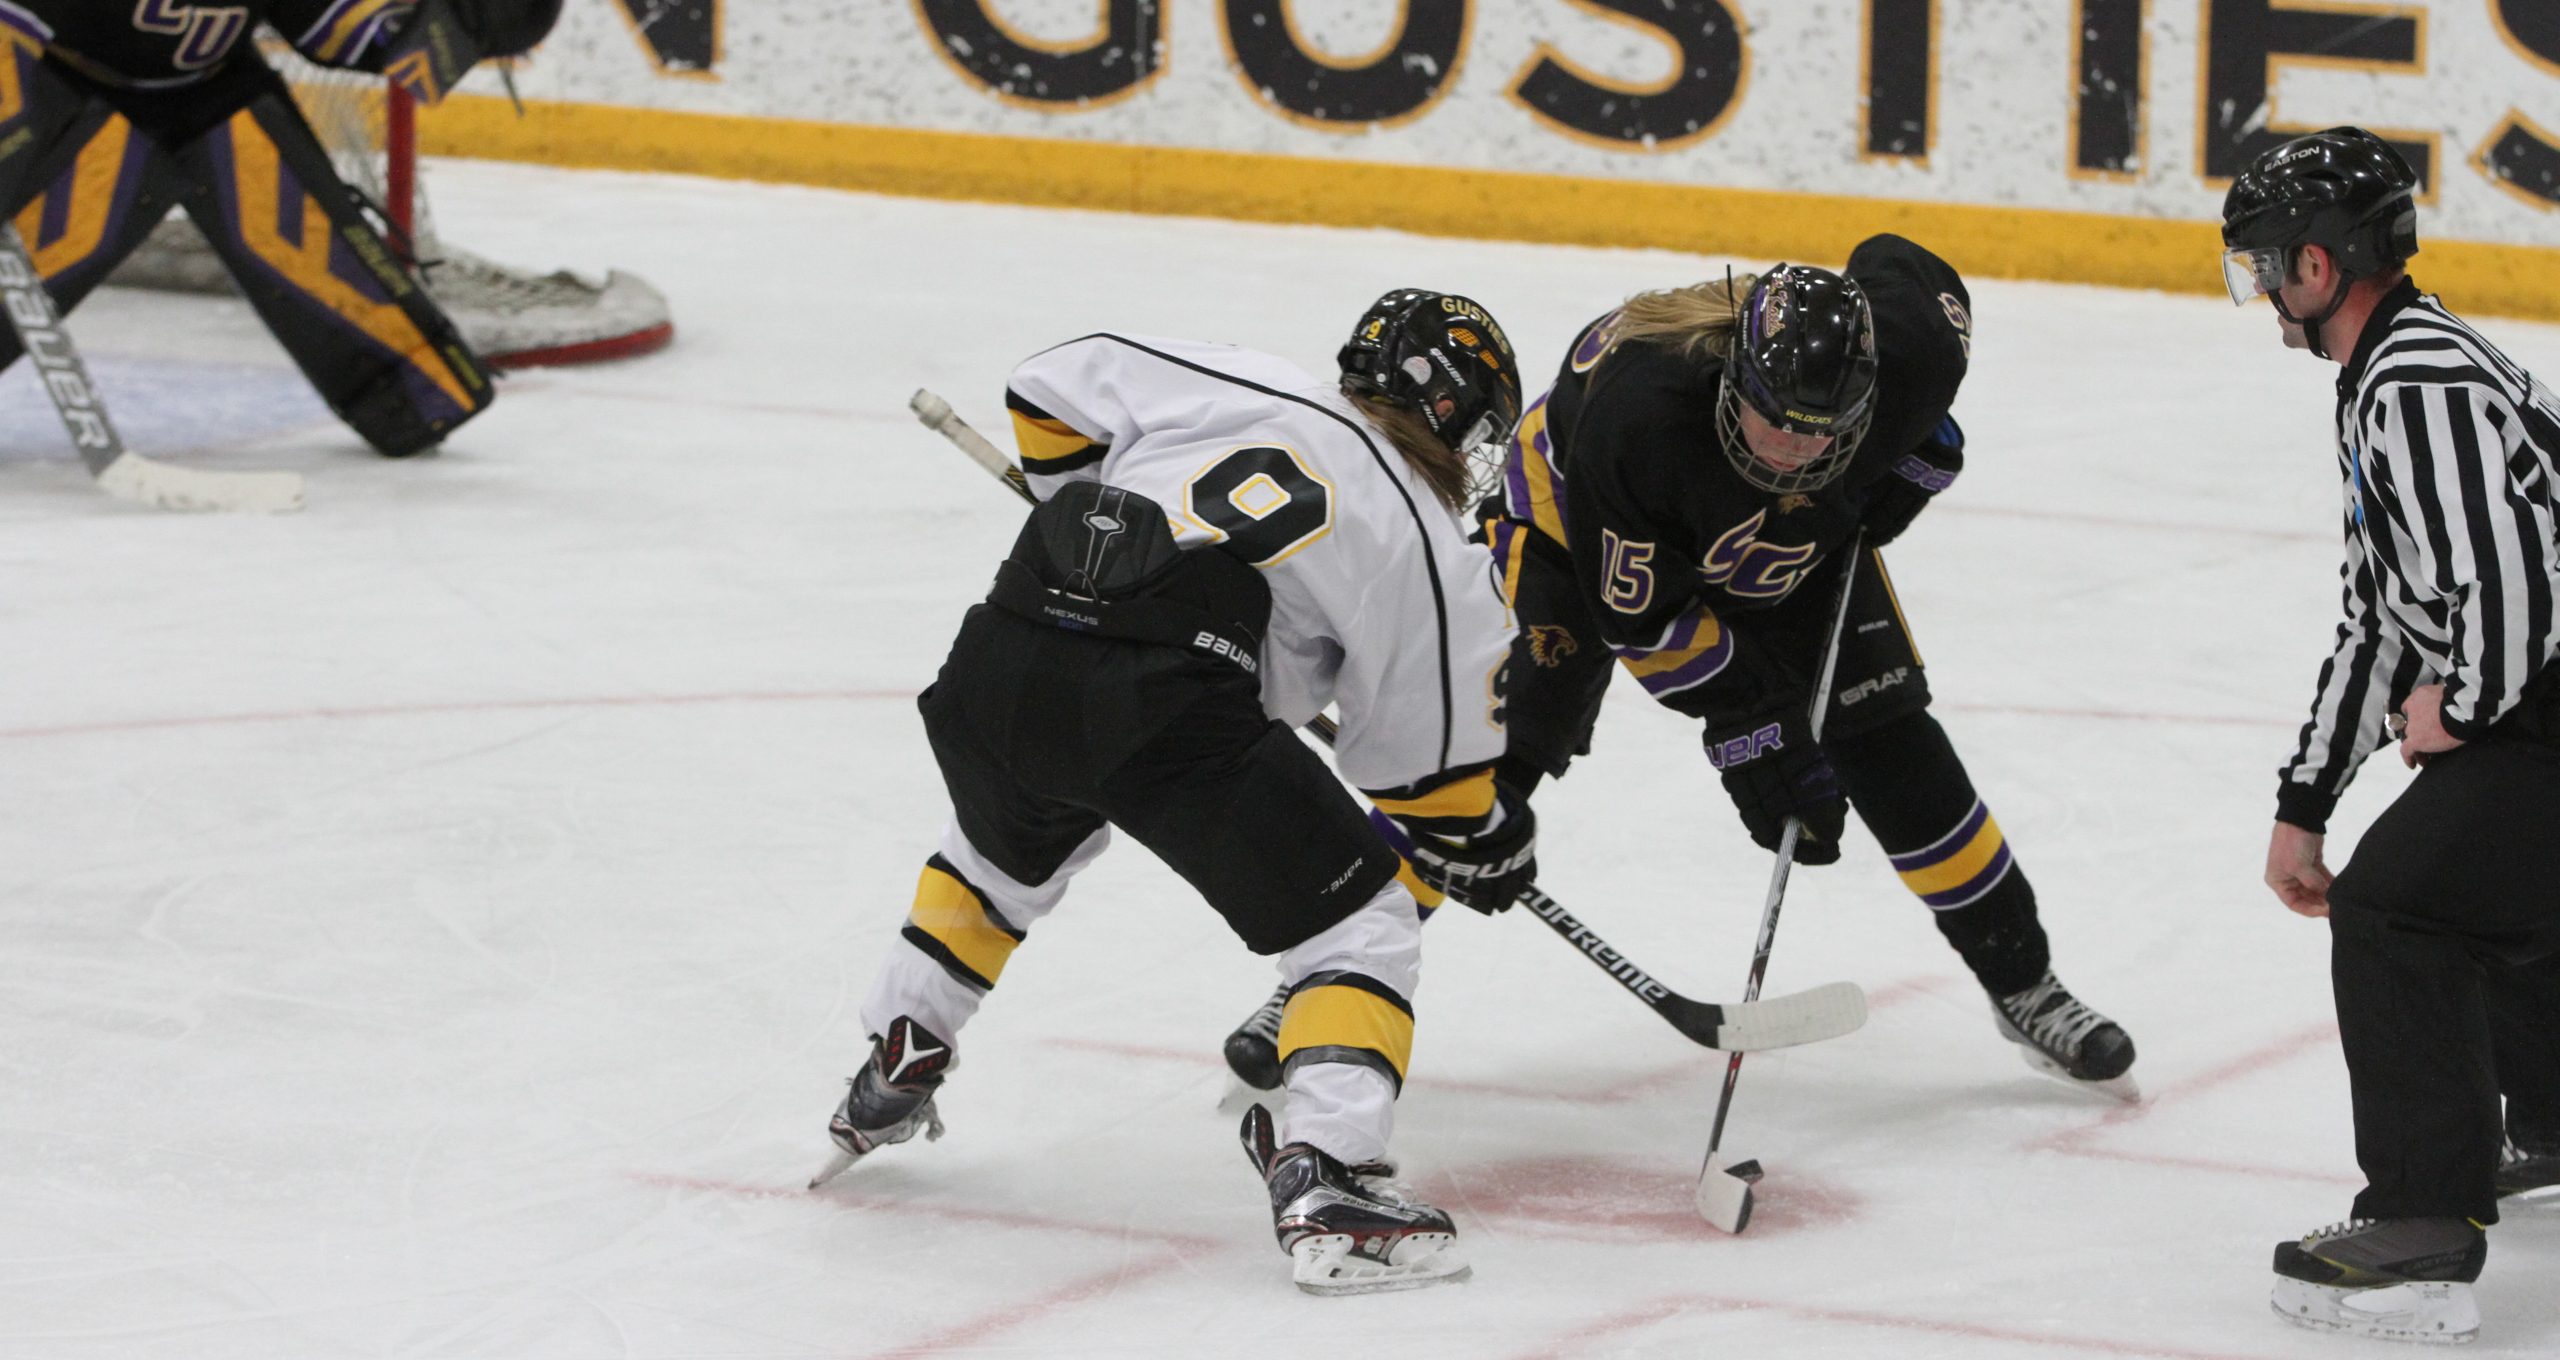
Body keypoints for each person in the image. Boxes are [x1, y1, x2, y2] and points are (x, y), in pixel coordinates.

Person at [1224, 238, 2138, 1101]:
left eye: (1822, 434)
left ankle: (2028, 984)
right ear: (1734, 374)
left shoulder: (1910, 363)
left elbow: (1900, 264)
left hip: (1786, 553)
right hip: (1567, 539)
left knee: (1899, 754)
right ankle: (1321, 979)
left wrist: (1897, 464)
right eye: (1772, 420)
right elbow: (1648, 623)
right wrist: (1758, 736)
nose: (1789, 450)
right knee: (1479, 767)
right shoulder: (1641, 419)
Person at [815, 291, 1531, 1296]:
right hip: (1166, 702)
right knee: (1360, 921)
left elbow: (1047, 381)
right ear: (1465, 419)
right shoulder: (1423, 536)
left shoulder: (1242, 379)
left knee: (999, 854)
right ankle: (1332, 1177)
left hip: (1005, 645)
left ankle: (901, 1047)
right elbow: (1420, 777)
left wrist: (1094, 516)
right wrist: (1483, 837)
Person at [2227, 125, 2560, 1345]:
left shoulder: (2416, 381)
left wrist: (2468, 707)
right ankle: (2554, 1120)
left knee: (2403, 905)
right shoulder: (2391, 375)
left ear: (2321, 265)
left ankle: (2421, 1221)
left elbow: (2514, 587)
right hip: (2543, 709)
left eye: (2268, 264)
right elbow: (2386, 616)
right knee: (2484, 879)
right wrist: (2303, 798)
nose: (2262, 290)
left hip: (2547, 710)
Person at [0, 1, 561, 456]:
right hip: (74, 95)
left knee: (419, 392)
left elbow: (346, 29)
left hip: (213, 97)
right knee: (53, 246)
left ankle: (406, 394)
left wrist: (466, 19)